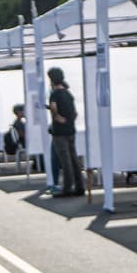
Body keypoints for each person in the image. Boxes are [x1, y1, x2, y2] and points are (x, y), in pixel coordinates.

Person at [47, 67, 82, 196]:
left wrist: (57, 118)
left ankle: (67, 187)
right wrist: (69, 121)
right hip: (71, 130)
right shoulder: (68, 93)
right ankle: (80, 186)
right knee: (74, 159)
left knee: (65, 160)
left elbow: (54, 109)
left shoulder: (54, 94)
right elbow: (75, 113)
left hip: (59, 132)